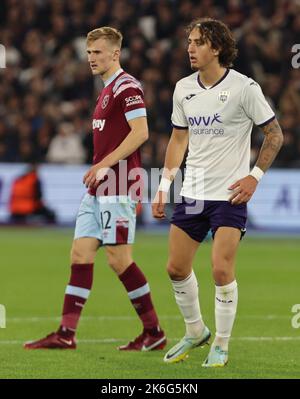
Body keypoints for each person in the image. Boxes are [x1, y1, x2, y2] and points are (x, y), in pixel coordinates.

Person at [24, 27, 166, 351]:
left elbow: (141, 132)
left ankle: (154, 332)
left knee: (118, 259)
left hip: (119, 182)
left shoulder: (127, 87)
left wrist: (104, 164)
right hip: (100, 185)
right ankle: (66, 333)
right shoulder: (105, 91)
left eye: (98, 52)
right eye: (89, 53)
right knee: (80, 254)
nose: (91, 58)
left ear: (115, 54)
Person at [152, 18, 283, 367]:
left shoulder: (245, 88)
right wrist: (164, 185)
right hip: (193, 192)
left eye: (197, 42)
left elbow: (275, 134)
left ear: (217, 48)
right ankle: (196, 331)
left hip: (229, 195)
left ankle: (221, 344)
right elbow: (179, 139)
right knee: (176, 268)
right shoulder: (183, 89)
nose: (190, 48)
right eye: (189, 42)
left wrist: (254, 176)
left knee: (221, 271)